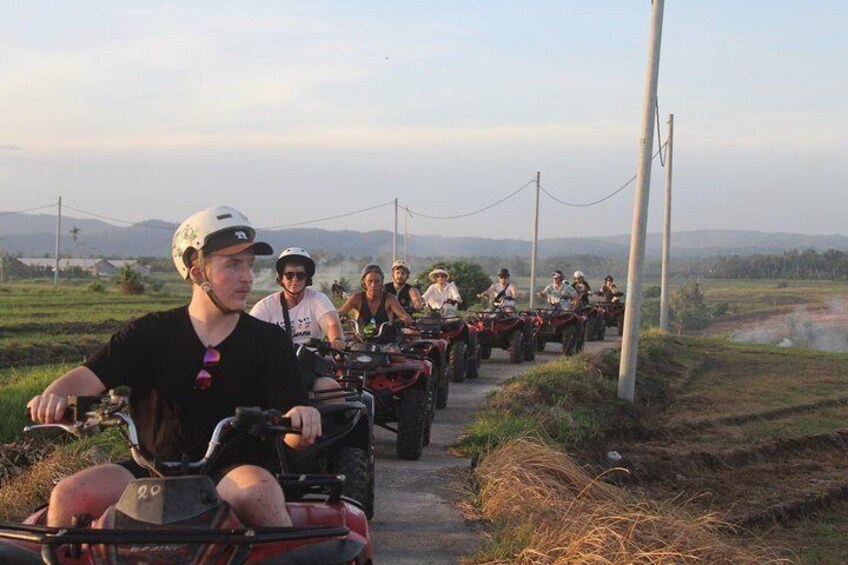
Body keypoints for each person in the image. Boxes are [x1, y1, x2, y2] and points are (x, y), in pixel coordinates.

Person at [26, 206, 321, 529]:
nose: (248, 277)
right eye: (233, 264)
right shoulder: (149, 333)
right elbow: (87, 377)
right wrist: (51, 397)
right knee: (69, 494)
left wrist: (303, 420)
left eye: (249, 265)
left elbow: (294, 427)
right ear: (197, 271)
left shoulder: (268, 340)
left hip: (231, 471)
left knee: (260, 493)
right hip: (150, 470)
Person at [250, 247, 346, 400]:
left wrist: (336, 340)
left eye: (300, 275)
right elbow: (250, 335)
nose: (294, 280)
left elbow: (331, 323)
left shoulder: (317, 299)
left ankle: (323, 424)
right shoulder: (266, 305)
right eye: (289, 275)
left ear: (307, 278)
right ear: (281, 278)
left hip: (309, 368)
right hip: (275, 368)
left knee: (330, 389)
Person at [339, 264, 413, 334]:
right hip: (361, 340)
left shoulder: (390, 299)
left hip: (386, 341)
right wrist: (341, 318)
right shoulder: (356, 298)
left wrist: (401, 321)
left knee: (393, 348)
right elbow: (340, 313)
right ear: (364, 282)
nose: (373, 285)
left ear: (382, 282)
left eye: (377, 281)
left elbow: (406, 317)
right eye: (370, 281)